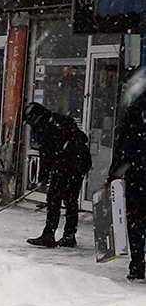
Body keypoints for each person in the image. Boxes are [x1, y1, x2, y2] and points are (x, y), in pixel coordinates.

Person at [24, 102, 92, 248]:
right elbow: (82, 138)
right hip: (80, 162)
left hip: (70, 163)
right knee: (70, 199)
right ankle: (69, 236)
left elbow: (46, 154)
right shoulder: (59, 119)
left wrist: (42, 178)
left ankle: (49, 235)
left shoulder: (46, 127)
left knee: (54, 198)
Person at [109, 70, 146, 280]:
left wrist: (113, 174)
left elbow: (124, 145)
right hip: (138, 170)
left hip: (138, 173)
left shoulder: (135, 111)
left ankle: (138, 263)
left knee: (137, 220)